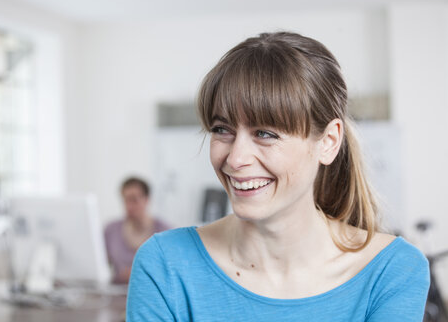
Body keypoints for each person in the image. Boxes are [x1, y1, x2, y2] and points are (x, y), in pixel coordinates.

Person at [126, 32, 430, 321]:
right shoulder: (165, 265)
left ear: (328, 142)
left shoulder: (392, 270)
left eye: (265, 133)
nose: (235, 159)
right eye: (222, 130)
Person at [104, 177, 170, 284]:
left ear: (147, 199)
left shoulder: (164, 231)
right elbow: (101, 264)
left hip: (147, 294)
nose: (129, 206)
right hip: (116, 293)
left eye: (134, 200)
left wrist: (137, 273)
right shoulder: (111, 230)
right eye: (126, 200)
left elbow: (168, 271)